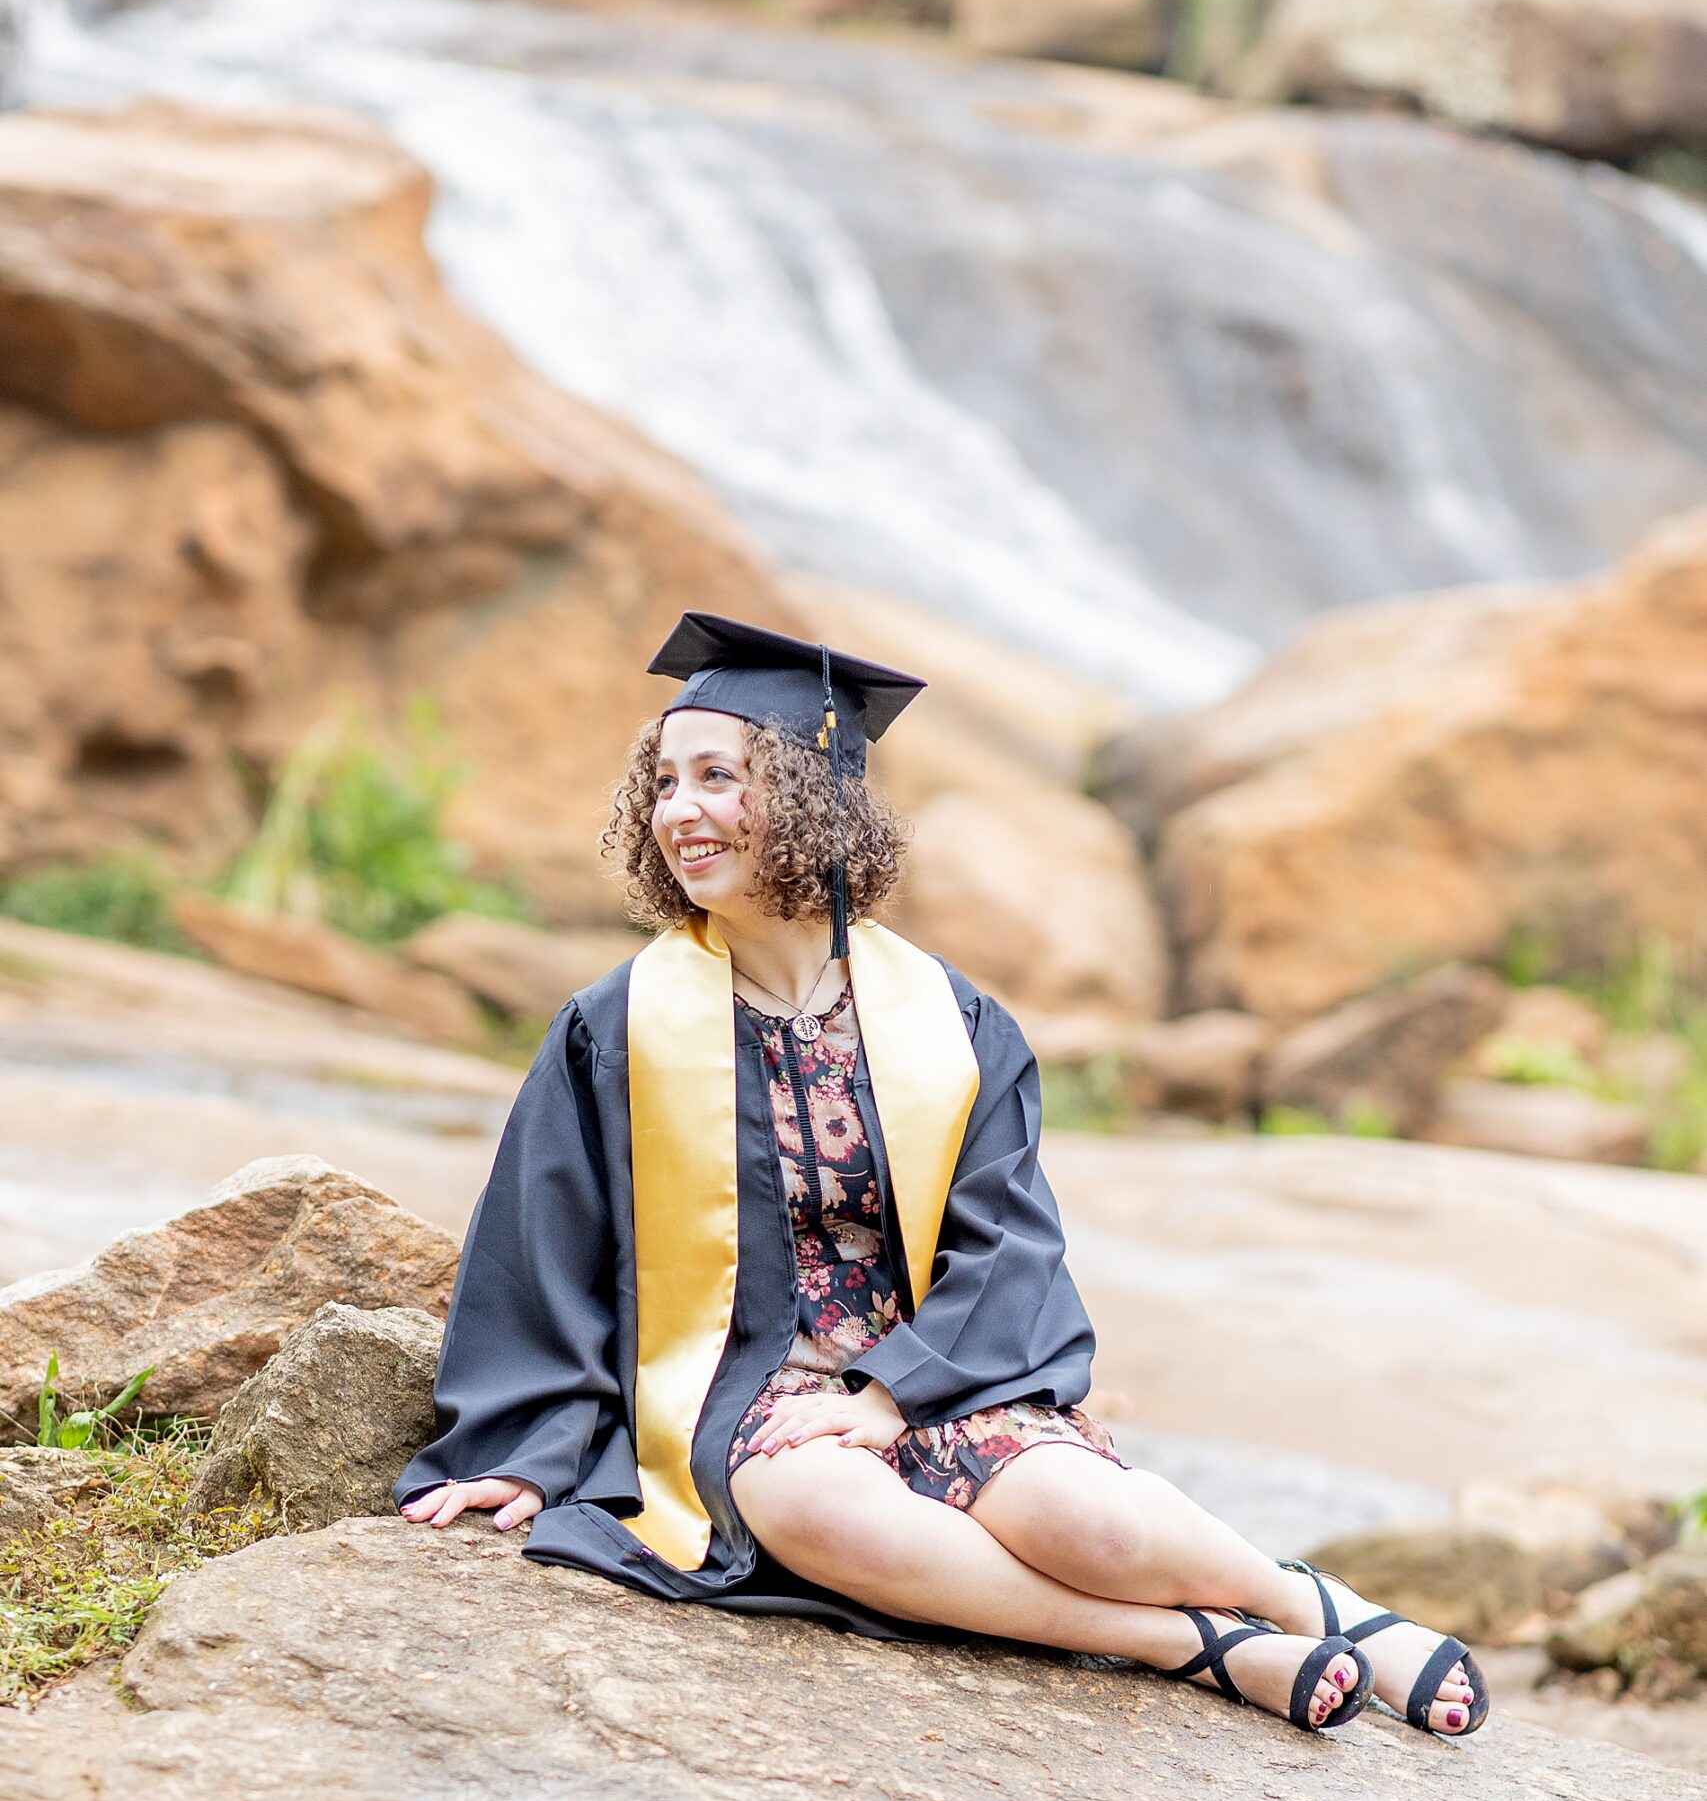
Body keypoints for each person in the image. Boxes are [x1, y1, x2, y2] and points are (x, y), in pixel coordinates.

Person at [395, 612, 1488, 1743]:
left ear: (810, 798)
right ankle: (1187, 1642)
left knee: (1088, 1522)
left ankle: (1315, 1604)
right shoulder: (617, 1027)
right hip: (747, 1392)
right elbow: (544, 1245)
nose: (679, 811)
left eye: (716, 777)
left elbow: (1010, 1244)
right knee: (823, 1509)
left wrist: (888, 1396)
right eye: (663, 782)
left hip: (941, 1372)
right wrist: (530, 1454)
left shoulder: (953, 1024)